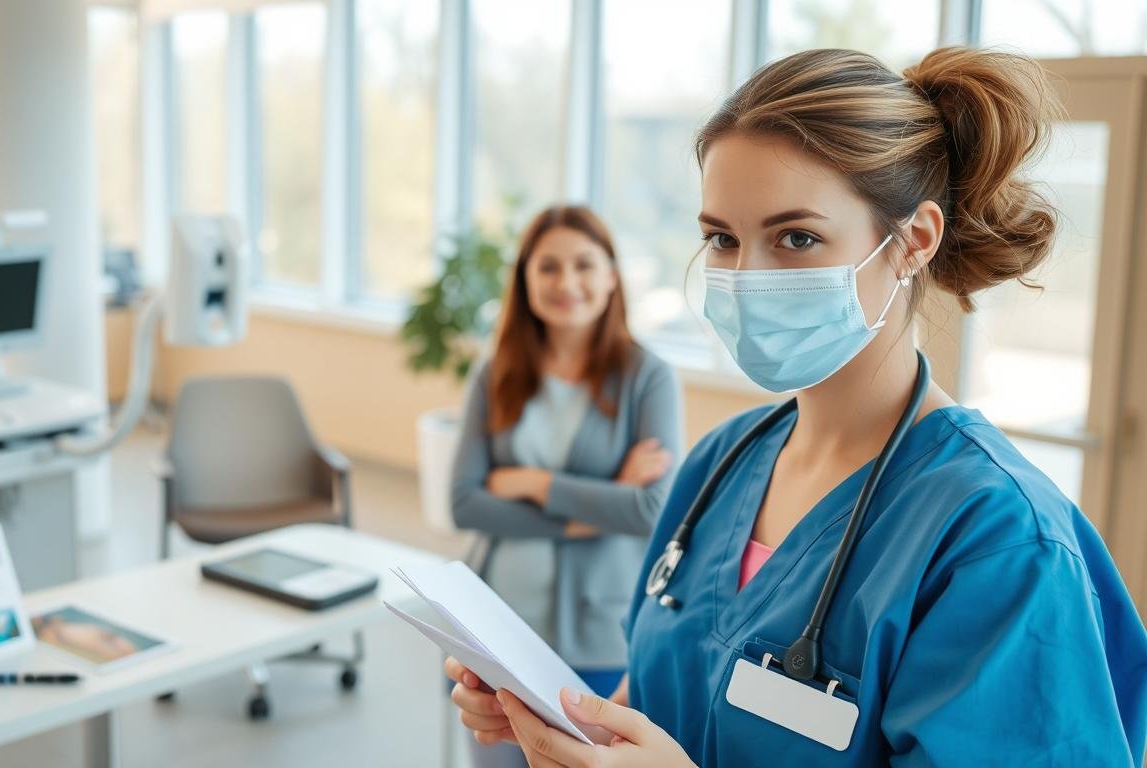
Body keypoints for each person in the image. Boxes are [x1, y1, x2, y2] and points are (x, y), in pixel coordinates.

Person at [445, 47, 1147, 766]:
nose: (746, 277)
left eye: (797, 238)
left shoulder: (997, 540)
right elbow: (654, 705)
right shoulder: (720, 466)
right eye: (721, 237)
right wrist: (562, 718)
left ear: (913, 242)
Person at [449, 204, 683, 766]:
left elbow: (651, 509)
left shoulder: (648, 379)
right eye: (548, 267)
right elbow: (464, 502)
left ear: (611, 277)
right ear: (526, 279)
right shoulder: (496, 371)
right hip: (499, 622)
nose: (567, 282)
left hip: (599, 633)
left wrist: (531, 482)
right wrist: (598, 506)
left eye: (584, 264)